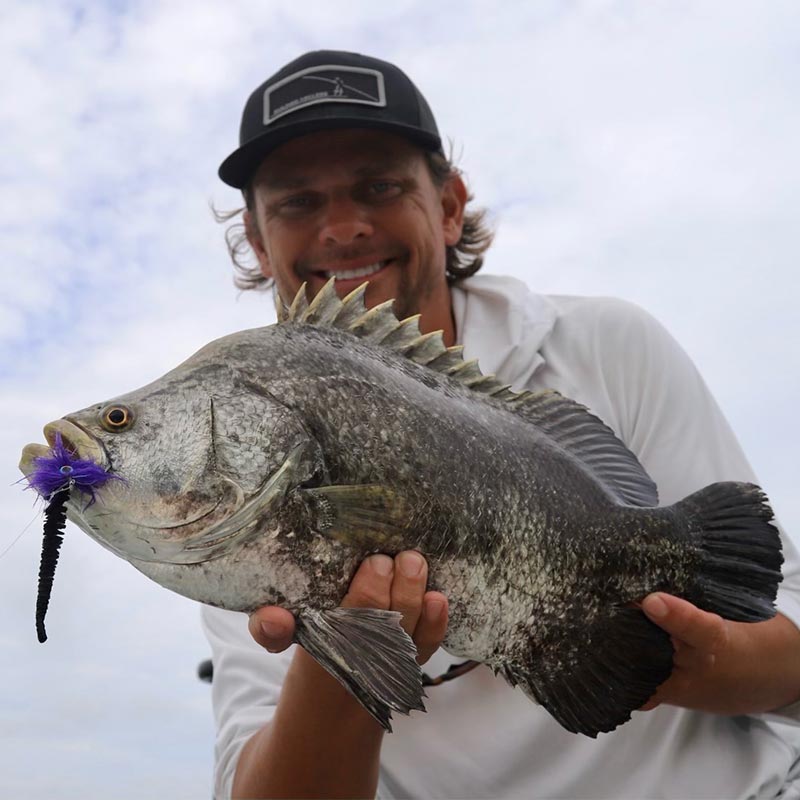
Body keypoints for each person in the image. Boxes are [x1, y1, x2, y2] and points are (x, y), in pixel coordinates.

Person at [204, 50, 800, 799]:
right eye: (296, 202)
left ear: (449, 205)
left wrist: (637, 650)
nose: (344, 227)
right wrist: (343, 656)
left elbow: (791, 664)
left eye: (378, 186)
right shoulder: (237, 485)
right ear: (259, 242)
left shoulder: (606, 345)